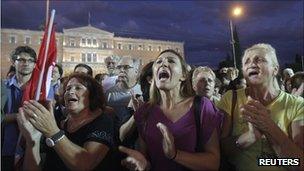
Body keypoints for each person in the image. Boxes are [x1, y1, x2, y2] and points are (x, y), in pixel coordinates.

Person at [119, 49, 223, 171]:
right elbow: (146, 159)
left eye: (171, 61)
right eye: (158, 62)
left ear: (183, 75)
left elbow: (213, 163)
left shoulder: (202, 106)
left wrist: (175, 155)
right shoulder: (144, 112)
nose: (163, 64)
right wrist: (143, 164)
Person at [217, 43, 303, 170]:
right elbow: (223, 151)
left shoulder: (297, 105)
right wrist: (249, 137)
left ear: (275, 69)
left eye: (259, 59)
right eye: (246, 61)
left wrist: (268, 127)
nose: (252, 64)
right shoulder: (230, 99)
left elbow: (298, 164)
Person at [17, 73, 115, 170]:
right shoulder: (58, 121)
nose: (70, 92)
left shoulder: (103, 121)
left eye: (78, 88)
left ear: (92, 95)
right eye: (68, 89)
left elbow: (85, 165)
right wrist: (32, 141)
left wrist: (53, 132)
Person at [1, 46, 37, 171]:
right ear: (13, 62)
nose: (26, 63)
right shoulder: (2, 87)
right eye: (21, 60)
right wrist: (18, 116)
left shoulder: (41, 90)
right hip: (6, 148)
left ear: (34, 64)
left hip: (33, 149)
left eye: (30, 60)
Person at [105, 56, 142, 128]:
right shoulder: (108, 94)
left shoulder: (142, 91)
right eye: (119, 67)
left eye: (126, 67)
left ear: (136, 71)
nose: (122, 70)